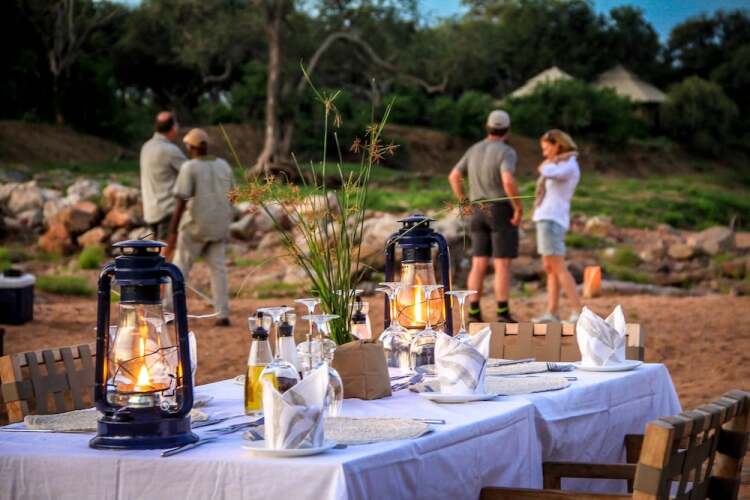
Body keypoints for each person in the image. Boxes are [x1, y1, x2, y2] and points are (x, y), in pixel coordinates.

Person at [448, 110, 522, 323]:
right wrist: (518, 207)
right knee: (501, 264)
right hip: (499, 209)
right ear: (507, 129)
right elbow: (507, 180)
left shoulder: (474, 149)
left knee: (478, 262)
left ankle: (473, 312)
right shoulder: (506, 151)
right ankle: (502, 312)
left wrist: (464, 202)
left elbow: (454, 175)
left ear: (487, 127)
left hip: (477, 210)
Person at [166, 128, 234, 327]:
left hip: (194, 227)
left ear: (190, 147)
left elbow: (181, 201)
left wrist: (172, 231)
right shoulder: (223, 165)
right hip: (218, 226)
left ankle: (169, 311)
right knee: (218, 271)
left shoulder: (189, 167)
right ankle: (222, 313)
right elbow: (233, 195)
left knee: (179, 268)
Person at [531, 129, 583, 324]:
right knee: (550, 268)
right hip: (546, 218)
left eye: (546, 148)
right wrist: (551, 160)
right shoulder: (561, 163)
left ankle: (578, 311)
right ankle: (552, 312)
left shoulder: (568, 165)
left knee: (558, 267)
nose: (544, 153)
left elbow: (546, 171)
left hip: (552, 219)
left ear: (557, 145)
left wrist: (548, 162)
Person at [139, 111, 187, 241]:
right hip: (168, 212)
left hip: (150, 211)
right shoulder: (170, 150)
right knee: (167, 249)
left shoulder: (146, 147)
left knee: (157, 248)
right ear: (173, 127)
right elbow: (191, 173)